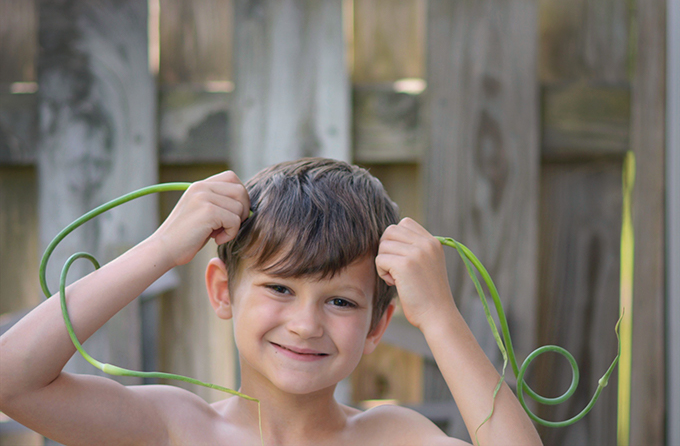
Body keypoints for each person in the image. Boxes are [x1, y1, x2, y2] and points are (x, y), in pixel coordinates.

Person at [0, 158, 541, 445]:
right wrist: (162, 249)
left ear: (379, 325)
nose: (305, 324)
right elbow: (11, 379)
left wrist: (441, 319)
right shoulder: (173, 429)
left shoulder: (393, 438)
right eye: (280, 288)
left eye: (342, 302)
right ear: (222, 291)